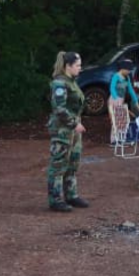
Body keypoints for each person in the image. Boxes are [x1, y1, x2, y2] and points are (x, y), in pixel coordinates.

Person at [48, 51, 89, 212]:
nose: (80, 68)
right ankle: (55, 199)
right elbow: (59, 108)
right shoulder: (60, 83)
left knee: (73, 162)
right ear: (68, 66)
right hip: (62, 130)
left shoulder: (71, 82)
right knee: (58, 164)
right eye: (78, 65)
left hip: (73, 129)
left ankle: (71, 194)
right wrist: (74, 123)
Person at [108, 59, 139, 145]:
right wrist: (116, 99)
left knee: (123, 120)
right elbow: (112, 88)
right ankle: (114, 140)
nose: (129, 72)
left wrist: (136, 101)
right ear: (123, 69)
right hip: (114, 99)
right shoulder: (116, 76)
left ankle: (121, 138)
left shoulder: (127, 78)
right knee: (116, 119)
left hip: (121, 99)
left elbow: (131, 90)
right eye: (128, 70)